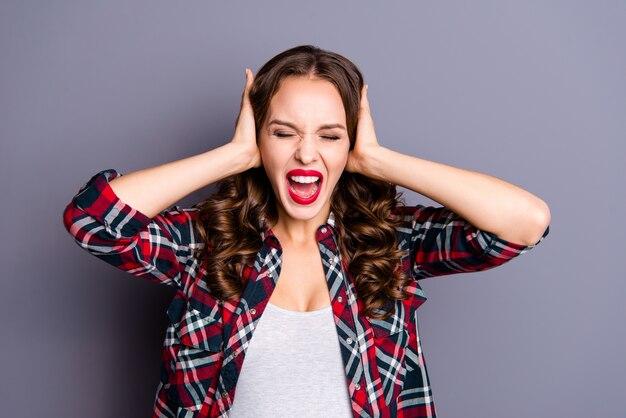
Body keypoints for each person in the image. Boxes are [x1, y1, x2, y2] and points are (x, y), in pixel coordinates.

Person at [62, 44, 550, 418]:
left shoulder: (389, 243)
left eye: (330, 136)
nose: (306, 153)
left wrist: (379, 160)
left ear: (350, 144)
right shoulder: (205, 245)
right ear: (260, 139)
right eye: (283, 132)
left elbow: (525, 223)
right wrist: (231, 155)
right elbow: (93, 221)